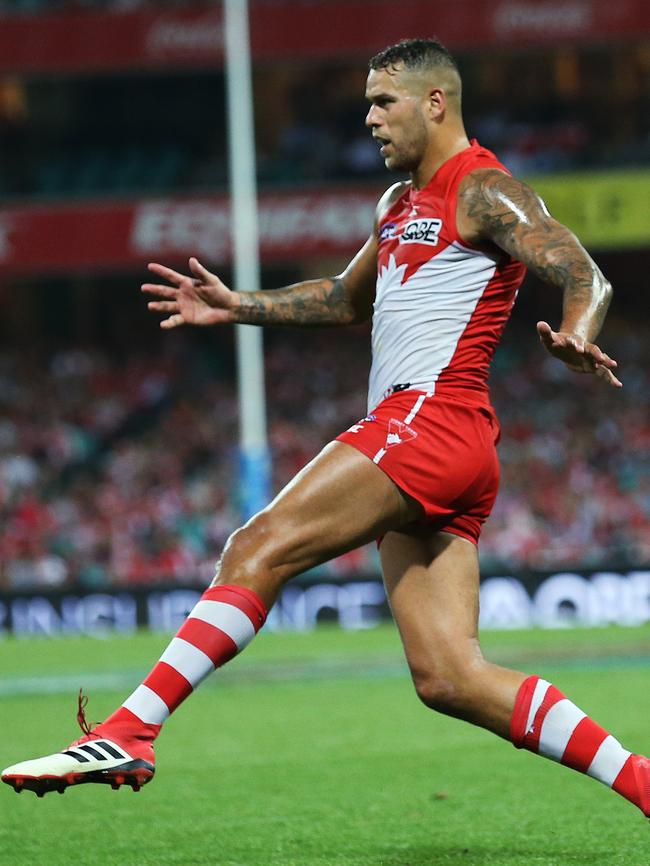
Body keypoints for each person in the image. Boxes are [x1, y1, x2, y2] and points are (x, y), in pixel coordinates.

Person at [3, 38, 648, 816]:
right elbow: (346, 298)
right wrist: (237, 304)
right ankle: (643, 783)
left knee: (255, 547)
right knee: (449, 677)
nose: (369, 119)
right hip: (447, 443)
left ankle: (130, 730)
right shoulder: (397, 204)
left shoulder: (481, 186)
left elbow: (584, 269)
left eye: (384, 103)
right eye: (368, 104)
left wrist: (579, 328)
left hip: (430, 419)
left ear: (435, 103)